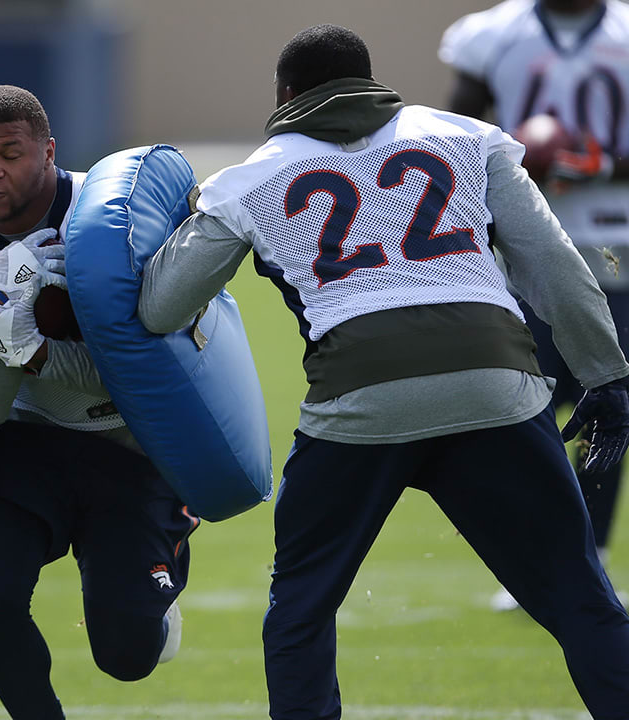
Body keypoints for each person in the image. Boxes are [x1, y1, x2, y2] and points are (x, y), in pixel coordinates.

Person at [137, 24, 629, 719]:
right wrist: (606, 374)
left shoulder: (250, 176)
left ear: (284, 95)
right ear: (370, 80)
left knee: (301, 615)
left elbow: (160, 309)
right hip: (495, 381)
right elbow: (556, 269)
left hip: (358, 397)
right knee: (585, 604)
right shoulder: (468, 136)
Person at [0, 84, 195, 719]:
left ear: (48, 151)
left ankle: (162, 581)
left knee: (126, 656)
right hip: (23, 438)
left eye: (10, 154)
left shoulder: (112, 217)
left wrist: (31, 347)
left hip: (126, 441)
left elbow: (137, 370)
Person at [440, 0, 629, 612]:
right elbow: (452, 135)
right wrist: (513, 166)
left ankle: (589, 557)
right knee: (524, 409)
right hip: (524, 248)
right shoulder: (492, 34)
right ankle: (538, 558)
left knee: (608, 405)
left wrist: (602, 163)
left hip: (617, 247)